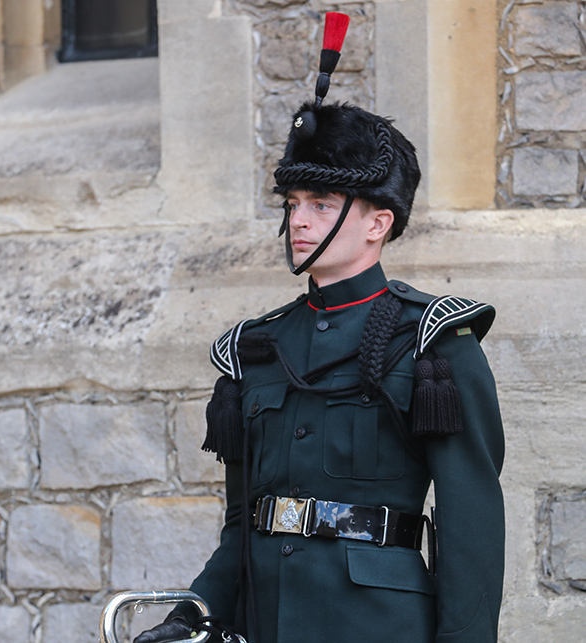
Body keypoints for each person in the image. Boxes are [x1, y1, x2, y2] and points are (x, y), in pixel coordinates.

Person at [135, 12, 504, 643]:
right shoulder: (255, 348)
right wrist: (192, 613)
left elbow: (472, 528)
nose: (300, 221)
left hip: (379, 626)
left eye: (323, 205)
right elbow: (243, 528)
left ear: (378, 223)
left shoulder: (433, 341)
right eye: (294, 205)